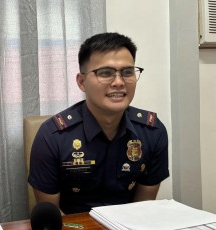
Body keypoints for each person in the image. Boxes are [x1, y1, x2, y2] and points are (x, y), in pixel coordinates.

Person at [28, 32, 169, 214]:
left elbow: (143, 208)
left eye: (127, 72)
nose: (118, 82)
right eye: (105, 73)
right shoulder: (53, 135)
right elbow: (51, 213)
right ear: (82, 82)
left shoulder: (152, 131)